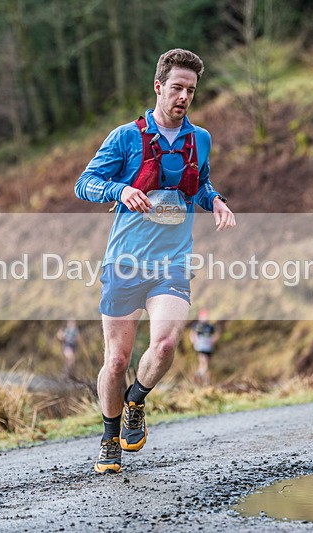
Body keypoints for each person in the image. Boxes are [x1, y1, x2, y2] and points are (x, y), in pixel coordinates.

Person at [74, 48, 236, 474]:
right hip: (125, 263)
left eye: (192, 90)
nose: (184, 97)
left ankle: (135, 402)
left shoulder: (199, 139)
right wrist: (119, 191)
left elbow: (197, 185)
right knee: (116, 361)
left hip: (173, 263)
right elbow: (84, 183)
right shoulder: (126, 136)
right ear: (158, 86)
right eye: (177, 88)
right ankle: (109, 439)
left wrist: (215, 200)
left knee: (164, 345)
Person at [190, 308, 219, 386]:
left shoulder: (210, 326)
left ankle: (204, 380)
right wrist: (194, 341)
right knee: (204, 360)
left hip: (208, 347)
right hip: (200, 347)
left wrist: (213, 340)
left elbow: (216, 335)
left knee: (205, 364)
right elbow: (193, 334)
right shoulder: (197, 325)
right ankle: (200, 375)